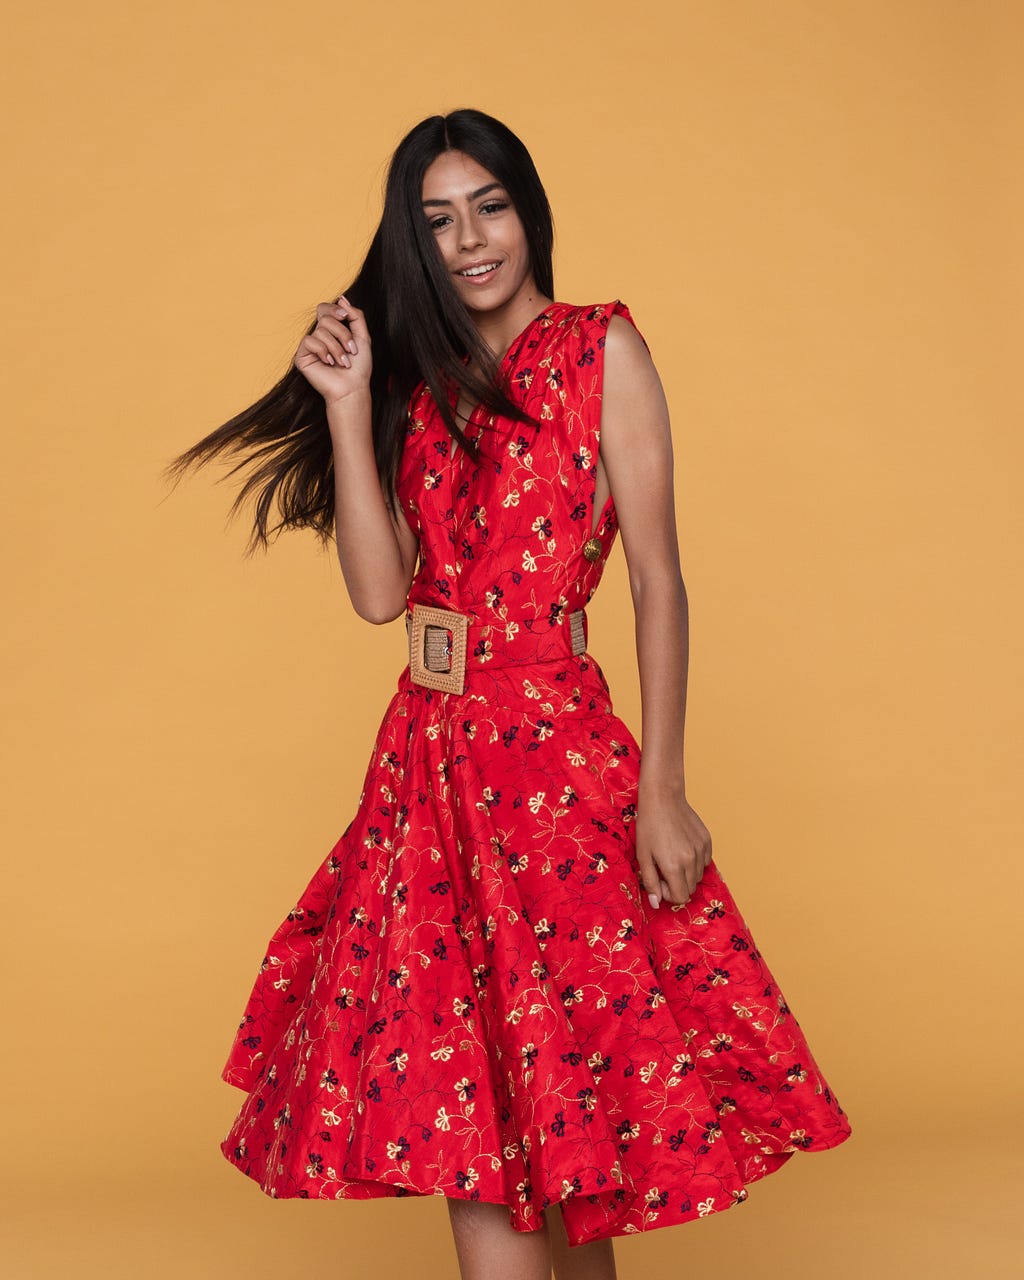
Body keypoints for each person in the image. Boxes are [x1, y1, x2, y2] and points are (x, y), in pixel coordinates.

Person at [165, 108, 852, 1280]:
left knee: (574, 1161)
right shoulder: (414, 380)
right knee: (473, 1134)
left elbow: (658, 581)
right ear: (411, 244)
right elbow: (382, 599)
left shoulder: (602, 351)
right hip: (427, 780)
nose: (470, 239)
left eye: (488, 206)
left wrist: (664, 790)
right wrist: (344, 405)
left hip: (558, 775)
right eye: (436, 221)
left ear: (529, 209)